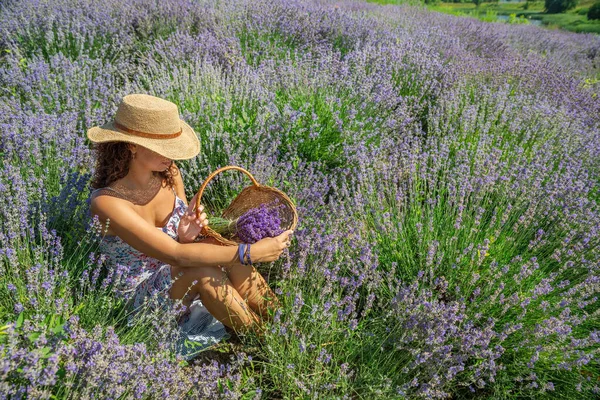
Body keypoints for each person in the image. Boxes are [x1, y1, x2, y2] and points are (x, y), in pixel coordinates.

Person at [86, 93, 293, 358]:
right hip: (144, 299)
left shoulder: (169, 174)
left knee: (224, 252)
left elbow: (181, 248)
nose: (173, 157)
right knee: (205, 270)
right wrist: (251, 251)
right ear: (132, 146)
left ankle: (286, 324)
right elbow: (174, 255)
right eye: (164, 148)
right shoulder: (107, 203)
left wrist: (186, 235)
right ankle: (268, 343)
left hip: (179, 272)